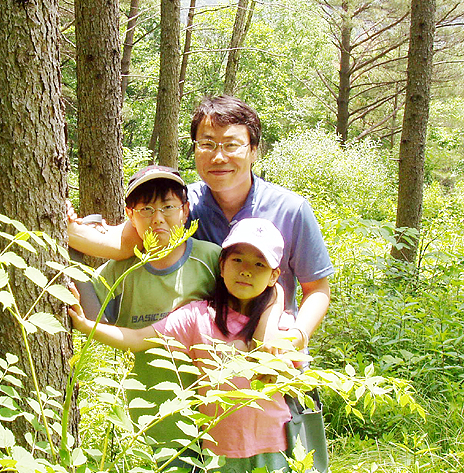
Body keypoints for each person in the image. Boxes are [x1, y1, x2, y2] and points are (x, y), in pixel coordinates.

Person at [68, 95, 333, 351]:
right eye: (207, 144)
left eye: (231, 145)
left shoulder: (290, 209)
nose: (218, 157)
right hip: (203, 361)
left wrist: (295, 338)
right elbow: (123, 242)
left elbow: (317, 288)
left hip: (275, 356)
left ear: (254, 151)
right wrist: (63, 221)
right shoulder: (181, 206)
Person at [70, 218, 291, 473]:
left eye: (259, 264)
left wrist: (270, 324)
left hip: (276, 446)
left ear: (273, 276)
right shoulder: (198, 317)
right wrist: (86, 325)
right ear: (221, 266)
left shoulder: (282, 327)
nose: (246, 271)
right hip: (221, 453)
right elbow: (138, 338)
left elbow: (294, 379)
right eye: (237, 260)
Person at [80, 165, 223, 473]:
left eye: (168, 207)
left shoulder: (210, 259)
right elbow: (92, 317)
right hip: (151, 413)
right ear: (130, 216)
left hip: (216, 410)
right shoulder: (120, 271)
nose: (157, 218)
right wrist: (75, 238)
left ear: (185, 210)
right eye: (145, 209)